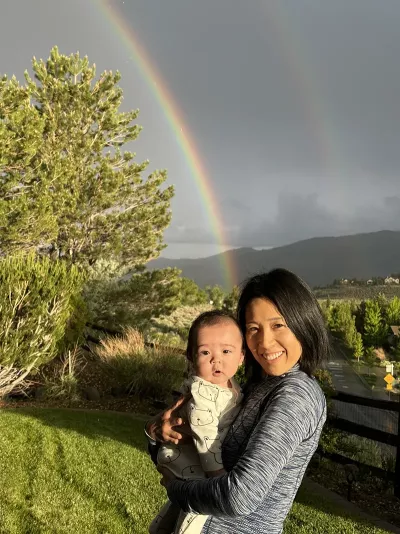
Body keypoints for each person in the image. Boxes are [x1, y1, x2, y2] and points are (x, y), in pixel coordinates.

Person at [146, 268, 330, 534]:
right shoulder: (257, 387)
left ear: (303, 322)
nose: (265, 342)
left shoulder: (296, 394)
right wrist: (157, 434)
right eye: (253, 329)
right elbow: (196, 449)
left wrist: (175, 489)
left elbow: (240, 496)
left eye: (278, 325)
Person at [149, 310, 245, 534]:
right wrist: (218, 475)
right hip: (193, 463)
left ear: (241, 357)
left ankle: (160, 528)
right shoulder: (202, 394)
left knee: (178, 504)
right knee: (196, 511)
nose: (216, 359)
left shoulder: (230, 385)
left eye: (226, 351)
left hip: (191, 460)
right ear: (191, 358)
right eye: (205, 352)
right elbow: (205, 435)